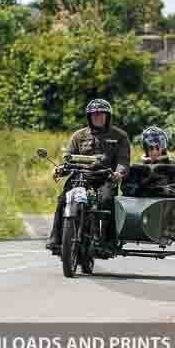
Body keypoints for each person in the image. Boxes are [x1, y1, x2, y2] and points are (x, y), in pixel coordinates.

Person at [46, 99, 131, 254]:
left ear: (107, 116)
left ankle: (109, 241)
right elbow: (68, 159)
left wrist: (119, 173)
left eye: (101, 114)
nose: (97, 117)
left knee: (107, 201)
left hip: (105, 178)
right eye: (94, 114)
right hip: (81, 176)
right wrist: (60, 170)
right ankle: (56, 240)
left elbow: (123, 161)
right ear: (89, 117)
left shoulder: (120, 136)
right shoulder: (78, 136)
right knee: (63, 199)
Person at [121, 126, 175, 198]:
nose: (154, 152)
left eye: (157, 148)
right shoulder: (135, 169)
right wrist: (140, 191)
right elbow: (126, 187)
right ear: (146, 149)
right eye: (151, 148)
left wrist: (163, 191)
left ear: (163, 148)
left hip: (165, 206)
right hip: (140, 206)